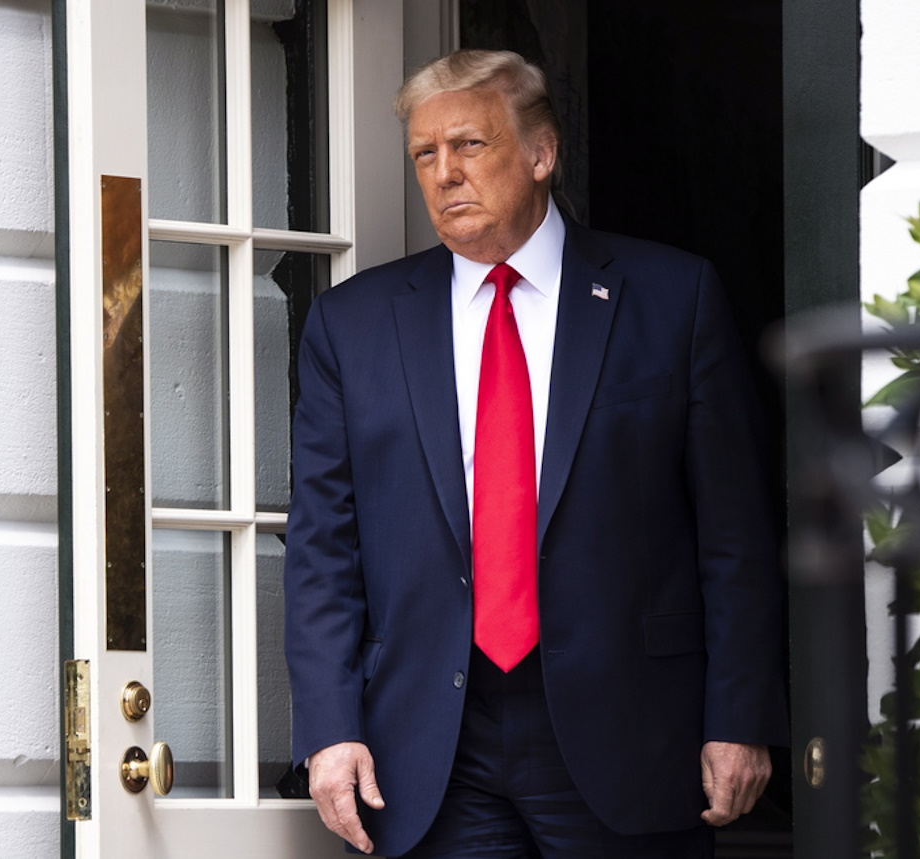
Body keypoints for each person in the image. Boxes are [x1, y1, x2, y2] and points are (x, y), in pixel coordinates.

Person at [284, 49, 789, 858]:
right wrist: (329, 727)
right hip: (429, 744)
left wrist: (741, 716)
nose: (444, 172)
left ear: (542, 153)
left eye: (470, 146)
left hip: (627, 729)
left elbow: (735, 533)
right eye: (425, 153)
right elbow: (320, 549)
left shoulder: (671, 298)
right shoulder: (353, 324)